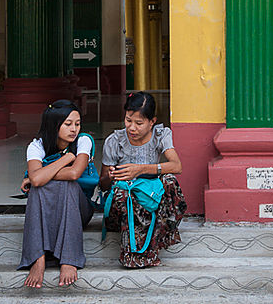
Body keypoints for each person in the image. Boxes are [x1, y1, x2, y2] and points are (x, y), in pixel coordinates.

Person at [100, 91, 187, 268]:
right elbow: (102, 185)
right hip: (125, 205)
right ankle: (132, 253)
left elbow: (177, 166)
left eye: (139, 123)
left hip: (150, 197)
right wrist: (109, 177)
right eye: (128, 121)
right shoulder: (114, 141)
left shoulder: (160, 135)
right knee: (121, 192)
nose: (132, 128)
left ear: (152, 122)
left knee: (169, 181)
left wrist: (140, 170)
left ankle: (158, 240)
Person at [18, 100, 94, 288]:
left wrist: (42, 174)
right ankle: (38, 258)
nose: (74, 129)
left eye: (77, 124)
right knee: (37, 188)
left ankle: (69, 258)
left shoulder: (84, 141)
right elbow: (36, 181)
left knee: (68, 185)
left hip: (79, 209)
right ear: (54, 125)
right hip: (48, 210)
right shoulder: (36, 146)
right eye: (68, 124)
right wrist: (67, 158)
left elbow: (75, 173)